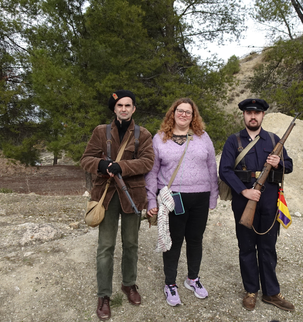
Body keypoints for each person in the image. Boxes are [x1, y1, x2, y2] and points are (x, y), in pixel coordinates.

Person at [80, 90, 154, 320]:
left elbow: (148, 161)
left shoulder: (143, 134)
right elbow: (86, 159)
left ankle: (129, 285)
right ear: (114, 108)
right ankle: (104, 295)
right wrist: (102, 164)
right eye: (119, 105)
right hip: (106, 196)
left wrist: (121, 166)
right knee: (105, 247)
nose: (123, 108)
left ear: (134, 109)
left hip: (132, 196)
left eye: (128, 105)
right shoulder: (100, 131)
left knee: (131, 244)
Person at [219, 98, 295, 312]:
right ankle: (251, 290)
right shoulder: (233, 141)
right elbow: (224, 170)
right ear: (243, 115)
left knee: (268, 247)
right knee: (246, 247)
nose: (253, 116)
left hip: (270, 199)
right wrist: (244, 191)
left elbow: (289, 166)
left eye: (257, 113)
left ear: (262, 116)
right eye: (249, 112)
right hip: (244, 199)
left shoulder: (273, 139)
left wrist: (278, 163)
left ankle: (271, 292)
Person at [145, 98, 218, 306]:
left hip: (200, 197)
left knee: (195, 239)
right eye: (180, 111)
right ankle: (170, 283)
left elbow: (212, 167)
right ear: (173, 113)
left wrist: (213, 195)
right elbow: (152, 172)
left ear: (194, 116)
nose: (184, 115)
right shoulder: (159, 139)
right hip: (173, 199)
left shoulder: (203, 137)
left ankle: (193, 279)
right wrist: (151, 199)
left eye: (189, 112)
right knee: (173, 241)